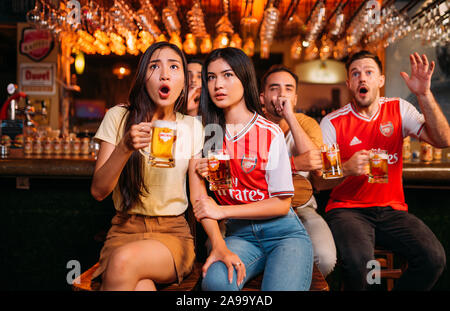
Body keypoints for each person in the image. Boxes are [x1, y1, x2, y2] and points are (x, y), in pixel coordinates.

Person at [318, 50, 449, 290]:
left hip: (392, 210)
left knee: (434, 259)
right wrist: (346, 169)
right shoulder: (332, 123)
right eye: (355, 74)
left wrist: (424, 94)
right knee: (363, 266)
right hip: (348, 210)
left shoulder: (399, 109)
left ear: (381, 80)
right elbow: (321, 182)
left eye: (369, 72)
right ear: (349, 83)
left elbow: (443, 140)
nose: (362, 78)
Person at [190, 47, 314, 291]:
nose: (218, 84)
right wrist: (218, 244)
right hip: (240, 236)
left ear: (244, 78)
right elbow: (201, 199)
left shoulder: (269, 132)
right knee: (216, 284)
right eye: (211, 77)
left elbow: (281, 203)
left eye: (227, 75)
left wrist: (223, 211)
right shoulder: (207, 132)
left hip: (284, 235)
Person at [90, 42, 204, 291]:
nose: (165, 73)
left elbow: (198, 197)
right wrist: (125, 147)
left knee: (123, 262)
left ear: (183, 81)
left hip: (172, 233)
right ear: (143, 78)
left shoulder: (193, 127)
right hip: (124, 229)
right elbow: (98, 192)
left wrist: (218, 244)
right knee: (142, 286)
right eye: (155, 66)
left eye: (174, 67)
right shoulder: (118, 117)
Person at [259, 65, 337, 278]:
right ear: (262, 97)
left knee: (325, 258)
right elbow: (250, 173)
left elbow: (317, 166)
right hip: (258, 209)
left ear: (295, 98)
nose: (282, 94)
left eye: (288, 89)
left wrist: (290, 117)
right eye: (275, 88)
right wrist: (293, 164)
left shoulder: (306, 123)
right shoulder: (252, 126)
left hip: (301, 210)